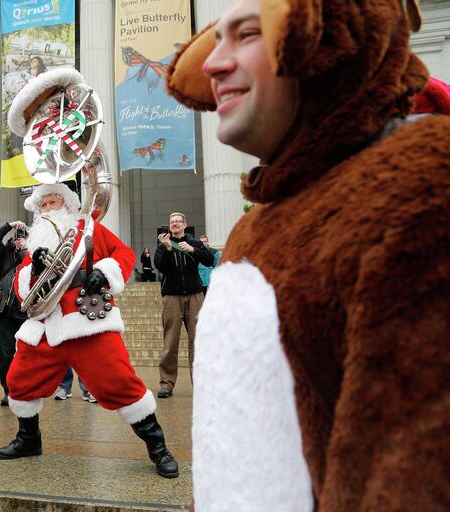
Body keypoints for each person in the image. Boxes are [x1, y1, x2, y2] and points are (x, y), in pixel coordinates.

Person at [166, 0, 449, 509]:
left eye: (247, 35)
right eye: (216, 41)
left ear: (328, 42)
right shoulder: (258, 226)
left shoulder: (420, 187)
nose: (210, 64)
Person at [0, 180, 179, 479]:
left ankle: (158, 448)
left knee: (120, 382)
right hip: (45, 326)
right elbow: (20, 289)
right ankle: (28, 440)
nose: (46, 208)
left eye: (52, 202)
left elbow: (123, 254)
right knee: (19, 381)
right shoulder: (36, 242)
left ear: (66, 205)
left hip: (87, 322)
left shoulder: (88, 228)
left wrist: (103, 272)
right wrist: (33, 270)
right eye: (42, 205)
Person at [154, 213, 213, 398]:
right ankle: (166, 384)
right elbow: (160, 267)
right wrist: (167, 249)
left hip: (195, 296)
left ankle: (201, 384)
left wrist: (193, 250)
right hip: (171, 297)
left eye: (178, 221)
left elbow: (210, 260)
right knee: (170, 342)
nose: (175, 224)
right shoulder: (163, 244)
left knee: (197, 341)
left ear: (185, 224)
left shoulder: (194, 242)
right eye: (172, 222)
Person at [0, 220, 29, 406]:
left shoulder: (32, 255)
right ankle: (9, 391)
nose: (19, 238)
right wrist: (9, 226)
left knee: (27, 355)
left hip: (25, 312)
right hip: (4, 311)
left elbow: (31, 267)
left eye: (23, 235)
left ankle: (26, 389)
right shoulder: (5, 257)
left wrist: (24, 249)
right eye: (17, 236)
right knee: (6, 354)